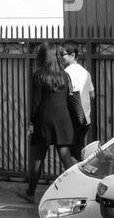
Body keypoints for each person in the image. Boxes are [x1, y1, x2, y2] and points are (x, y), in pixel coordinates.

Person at [19, 43, 81, 203]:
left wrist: (31, 123)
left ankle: (30, 193)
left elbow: (36, 102)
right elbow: (69, 99)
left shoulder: (38, 75)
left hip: (44, 120)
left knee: (37, 159)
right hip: (63, 120)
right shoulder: (65, 75)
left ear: (42, 57)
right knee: (66, 158)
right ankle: (78, 192)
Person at [61, 41, 95, 159]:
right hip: (85, 119)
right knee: (78, 151)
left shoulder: (65, 73)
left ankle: (76, 176)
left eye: (63, 54)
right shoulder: (86, 72)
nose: (61, 57)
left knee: (69, 154)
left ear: (73, 55)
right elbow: (92, 95)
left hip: (71, 119)